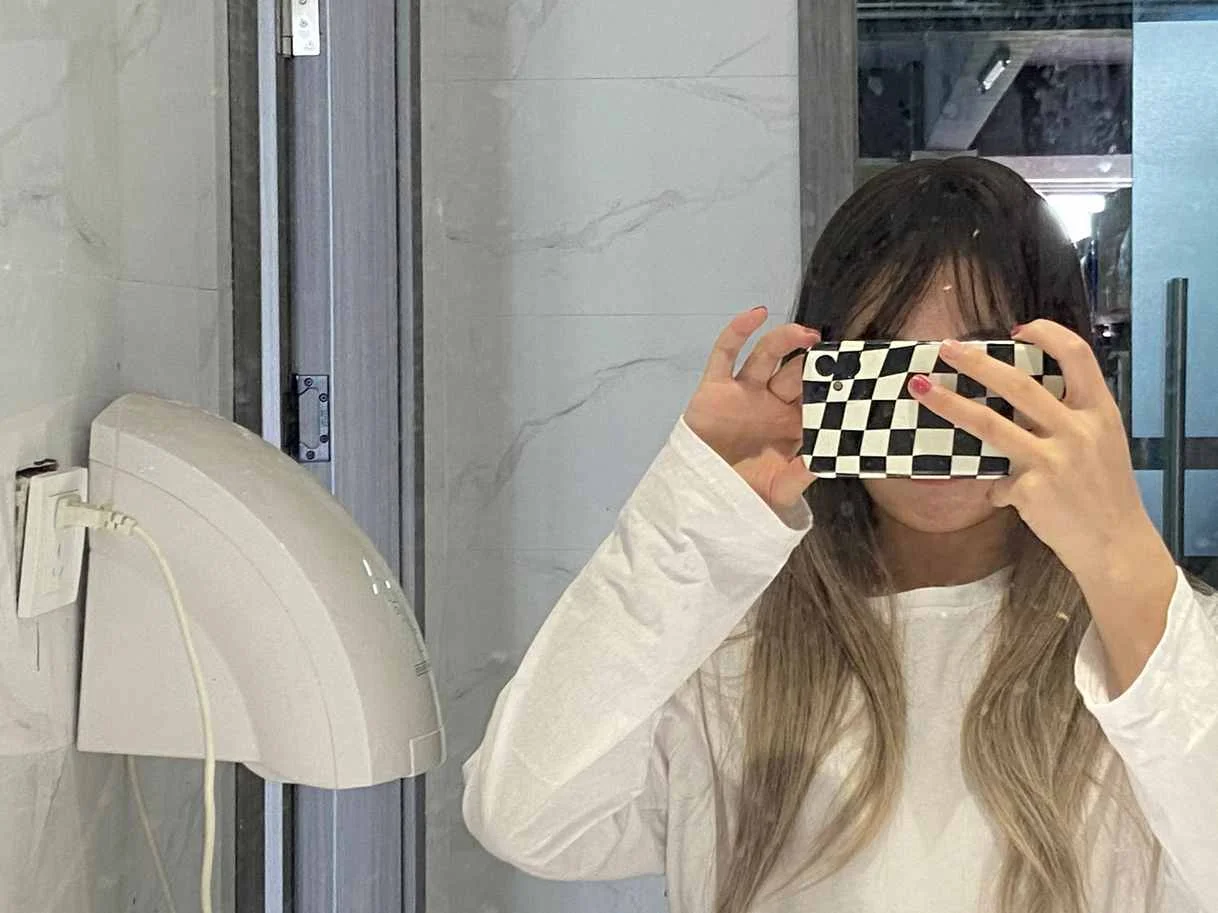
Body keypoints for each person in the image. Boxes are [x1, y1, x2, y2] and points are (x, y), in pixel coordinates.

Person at [461, 158, 1218, 913]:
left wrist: (1121, 558)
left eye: (984, 362)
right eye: (885, 362)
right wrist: (694, 521)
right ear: (824, 372)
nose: (934, 406)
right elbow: (526, 817)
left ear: (1063, 377)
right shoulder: (724, 650)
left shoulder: (1163, 654)